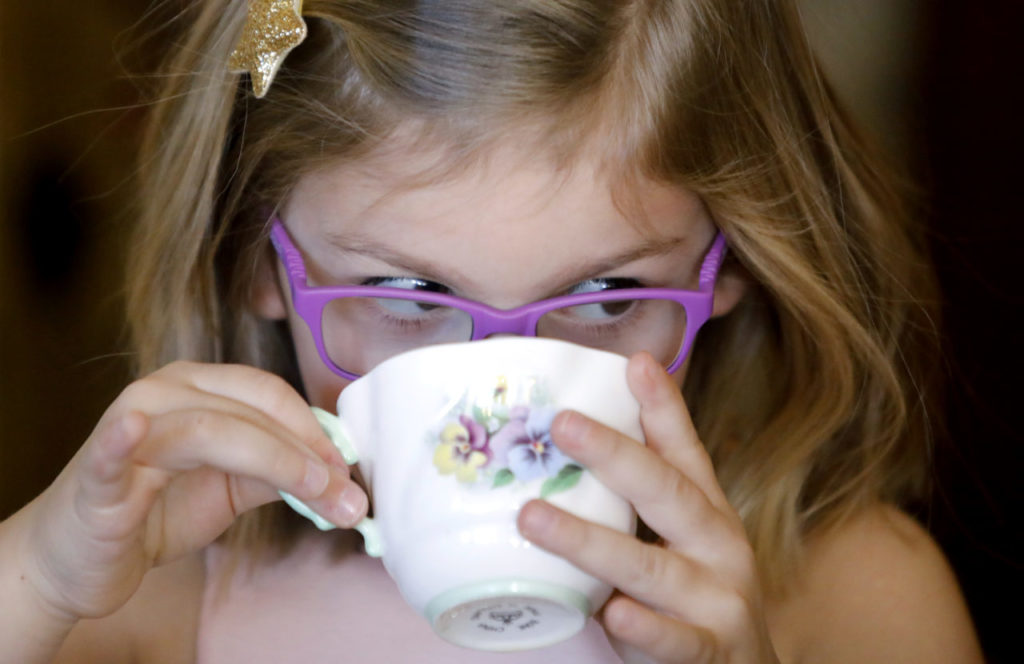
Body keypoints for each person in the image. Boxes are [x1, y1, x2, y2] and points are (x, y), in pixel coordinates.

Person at [0, 1, 985, 662]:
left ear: (731, 267)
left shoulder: (852, 591)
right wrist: (38, 576)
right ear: (257, 260)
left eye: (605, 293)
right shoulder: (154, 596)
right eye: (406, 291)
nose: (499, 382)